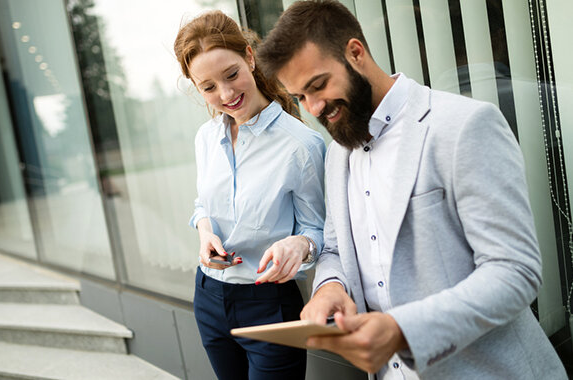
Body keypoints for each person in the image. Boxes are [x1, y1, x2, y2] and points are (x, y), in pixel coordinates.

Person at [256, 1, 568, 379]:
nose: (315, 107)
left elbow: (515, 272)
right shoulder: (338, 154)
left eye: (318, 85)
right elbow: (336, 248)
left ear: (355, 52)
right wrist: (330, 288)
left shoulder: (464, 126)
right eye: (299, 98)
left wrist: (401, 330)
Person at [174, 10, 326, 380]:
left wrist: (300, 245)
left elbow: (322, 232)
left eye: (231, 75)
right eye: (208, 87)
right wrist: (205, 233)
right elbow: (202, 205)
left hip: (269, 304)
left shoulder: (301, 146)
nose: (226, 94)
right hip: (209, 298)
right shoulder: (206, 138)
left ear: (250, 57)